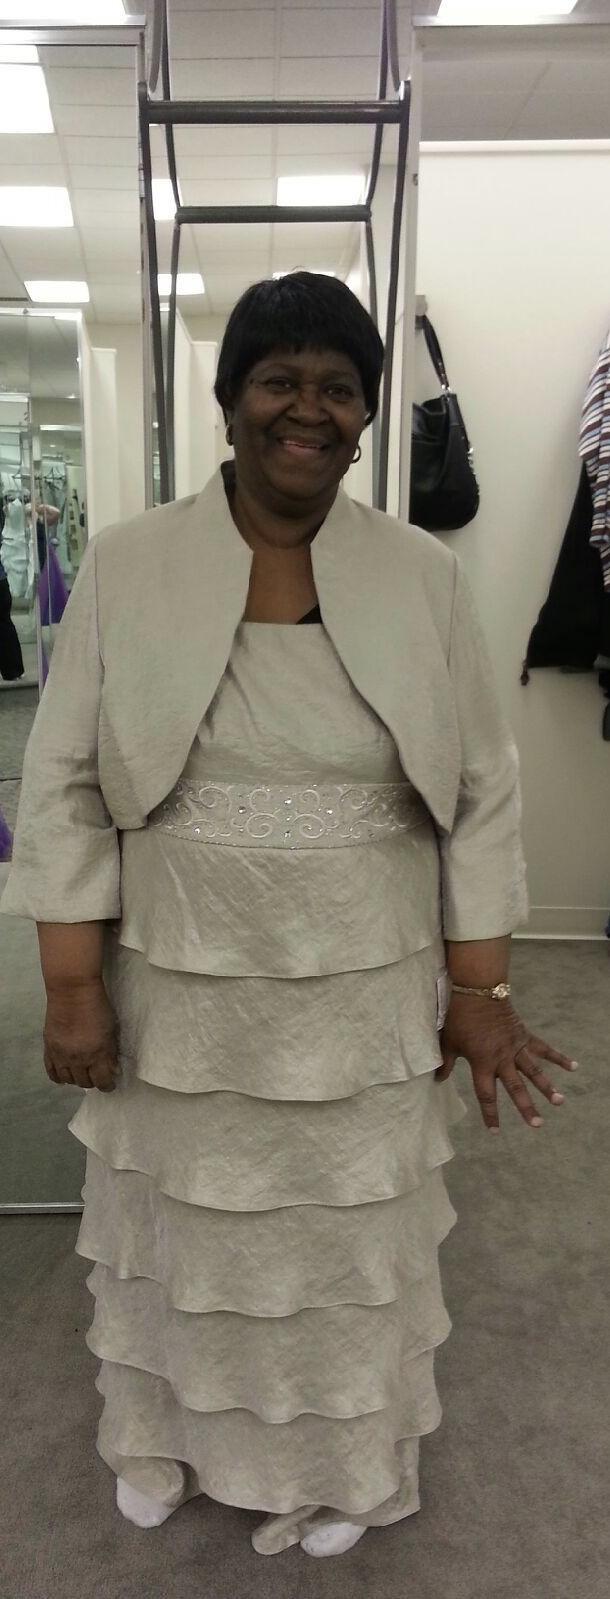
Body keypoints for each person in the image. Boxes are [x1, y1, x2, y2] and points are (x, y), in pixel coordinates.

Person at [0, 272, 578, 1561]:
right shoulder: (129, 563)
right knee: (187, 1227)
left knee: (339, 1240)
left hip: (363, 992)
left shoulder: (421, 575)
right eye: (278, 381)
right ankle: (167, 1437)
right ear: (229, 402)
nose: (306, 410)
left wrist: (480, 992)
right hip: (181, 985)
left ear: (366, 417)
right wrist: (74, 986)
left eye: (337, 388)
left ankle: (340, 1464)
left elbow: (482, 793)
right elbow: (66, 780)